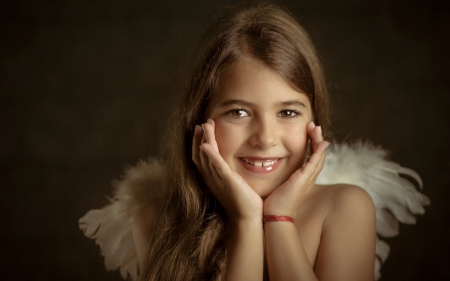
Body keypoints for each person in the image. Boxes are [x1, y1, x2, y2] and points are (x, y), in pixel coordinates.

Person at [79, 3, 429, 281]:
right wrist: (247, 221)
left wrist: (279, 219)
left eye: (288, 113)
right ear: (200, 122)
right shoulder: (157, 220)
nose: (265, 138)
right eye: (239, 113)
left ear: (314, 122)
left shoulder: (345, 208)